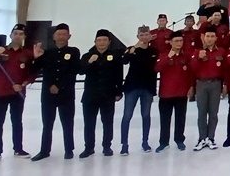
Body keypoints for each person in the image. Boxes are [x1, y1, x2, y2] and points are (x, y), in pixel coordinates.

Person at [0, 24, 34, 164]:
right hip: (0, 92)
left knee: (17, 121)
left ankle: (18, 149)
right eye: (15, 33)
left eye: (21, 34)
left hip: (17, 93)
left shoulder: (28, 54)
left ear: (24, 37)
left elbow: (32, 73)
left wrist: (23, 84)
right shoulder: (1, 51)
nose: (17, 36)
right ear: (11, 35)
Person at [31, 23, 81, 162]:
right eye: (59, 34)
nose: (61, 37)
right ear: (54, 36)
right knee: (47, 124)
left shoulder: (74, 52)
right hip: (48, 95)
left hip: (66, 94)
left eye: (64, 34)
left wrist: (59, 85)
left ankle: (69, 150)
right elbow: (35, 70)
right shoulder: (47, 53)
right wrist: (36, 57)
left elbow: (73, 71)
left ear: (69, 36)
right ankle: (44, 150)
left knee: (67, 123)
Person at [79, 29, 124, 158]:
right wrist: (89, 62)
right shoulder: (87, 55)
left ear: (109, 42)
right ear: (95, 42)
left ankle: (107, 146)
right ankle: (89, 148)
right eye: (99, 40)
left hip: (108, 95)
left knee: (108, 123)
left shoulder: (115, 56)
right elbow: (80, 71)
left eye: (104, 40)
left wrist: (118, 91)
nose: (102, 42)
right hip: (90, 95)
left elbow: (119, 75)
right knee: (89, 123)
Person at [120, 25, 158, 155]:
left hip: (147, 87)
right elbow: (124, 61)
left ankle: (145, 142)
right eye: (141, 35)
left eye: (146, 34)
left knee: (146, 115)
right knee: (127, 115)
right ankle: (124, 144)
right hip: (132, 87)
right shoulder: (132, 49)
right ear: (137, 36)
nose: (144, 37)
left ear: (150, 36)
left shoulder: (154, 51)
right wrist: (134, 48)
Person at [155, 31, 195, 153]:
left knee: (180, 118)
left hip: (181, 93)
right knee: (165, 120)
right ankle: (163, 142)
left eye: (181, 41)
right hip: (166, 94)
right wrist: (169, 56)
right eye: (176, 41)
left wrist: (191, 86)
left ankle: (179, 140)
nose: (179, 43)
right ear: (171, 42)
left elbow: (191, 72)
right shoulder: (164, 54)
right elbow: (157, 68)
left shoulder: (186, 56)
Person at [190, 27, 226, 151]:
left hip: (216, 84)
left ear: (216, 38)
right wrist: (198, 58)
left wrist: (225, 85)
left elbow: (225, 69)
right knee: (202, 113)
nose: (209, 39)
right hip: (201, 84)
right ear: (203, 38)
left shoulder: (221, 51)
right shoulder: (197, 51)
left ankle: (211, 138)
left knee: (213, 113)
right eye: (207, 36)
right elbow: (192, 69)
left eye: (212, 36)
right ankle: (202, 138)